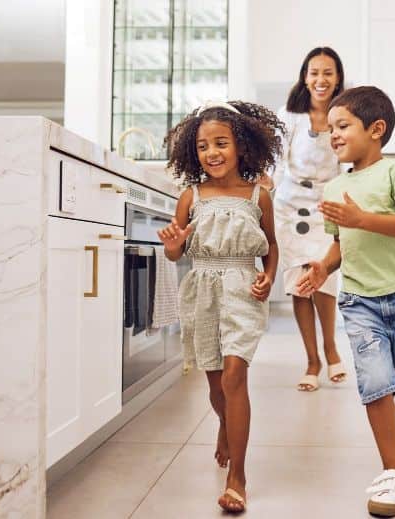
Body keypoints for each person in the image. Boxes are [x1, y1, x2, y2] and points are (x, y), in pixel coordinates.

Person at [295, 86, 395, 517]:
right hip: (358, 300)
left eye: (342, 126)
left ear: (376, 129)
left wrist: (362, 219)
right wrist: (322, 267)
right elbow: (341, 245)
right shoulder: (335, 186)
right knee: (374, 380)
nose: (333, 135)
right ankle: (392, 471)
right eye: (330, 128)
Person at [158, 100, 284, 513]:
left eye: (221, 143)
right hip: (202, 289)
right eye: (203, 146)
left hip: (243, 286)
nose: (212, 153)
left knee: (234, 377)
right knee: (215, 386)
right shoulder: (189, 197)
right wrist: (175, 249)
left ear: (241, 145)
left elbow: (271, 245)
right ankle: (225, 427)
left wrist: (267, 275)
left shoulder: (258, 195)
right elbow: (178, 254)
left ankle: (238, 477)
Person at [268, 46, 348, 392]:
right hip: (290, 207)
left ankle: (331, 349)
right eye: (314, 73)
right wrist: (263, 185)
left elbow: (349, 159)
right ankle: (313, 360)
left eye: (327, 73)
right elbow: (275, 161)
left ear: (338, 78)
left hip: (326, 207)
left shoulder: (345, 114)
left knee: (324, 279)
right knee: (299, 285)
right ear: (305, 77)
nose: (320, 80)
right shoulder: (289, 115)